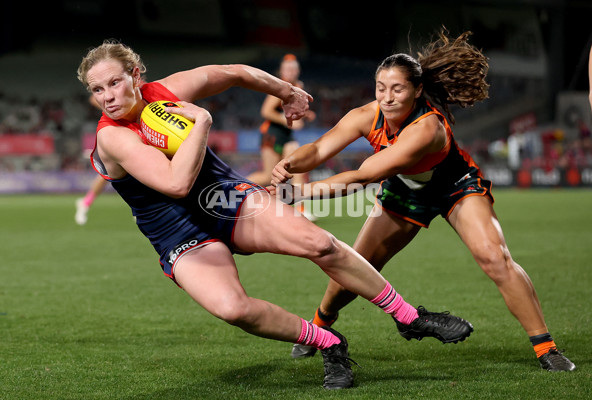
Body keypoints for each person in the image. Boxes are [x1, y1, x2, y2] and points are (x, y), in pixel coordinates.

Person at [76, 40, 474, 390]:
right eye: (97, 89)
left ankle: (408, 318)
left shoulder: (165, 91)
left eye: (114, 82)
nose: (108, 96)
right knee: (234, 309)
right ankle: (329, 343)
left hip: (225, 198)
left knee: (319, 243)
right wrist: (201, 121)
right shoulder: (112, 136)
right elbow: (177, 184)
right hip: (177, 231)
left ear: (135, 74)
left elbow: (231, 73)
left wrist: (287, 91)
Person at [270, 29, 575, 372]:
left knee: (495, 257)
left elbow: (363, 176)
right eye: (381, 88)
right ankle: (319, 326)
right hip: (404, 191)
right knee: (350, 274)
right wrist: (291, 164)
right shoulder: (365, 115)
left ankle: (545, 348)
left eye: (397, 89)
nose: (387, 98)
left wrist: (301, 191)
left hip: (455, 186)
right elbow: (319, 149)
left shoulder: (427, 128)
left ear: (416, 90)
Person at [246, 54, 317, 221]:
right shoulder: (281, 86)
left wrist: (305, 115)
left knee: (297, 166)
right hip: (272, 134)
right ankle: (233, 189)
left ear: (298, 70)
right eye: (287, 68)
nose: (290, 71)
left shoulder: (298, 86)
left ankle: (300, 208)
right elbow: (266, 111)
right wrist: (286, 122)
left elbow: (288, 110)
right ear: (282, 71)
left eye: (293, 68)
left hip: (286, 135)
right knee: (267, 176)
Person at [75, 94, 108, 225]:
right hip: (114, 135)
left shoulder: (142, 89)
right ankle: (85, 202)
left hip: (134, 135)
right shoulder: (120, 90)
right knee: (107, 174)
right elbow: (93, 99)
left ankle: (85, 202)